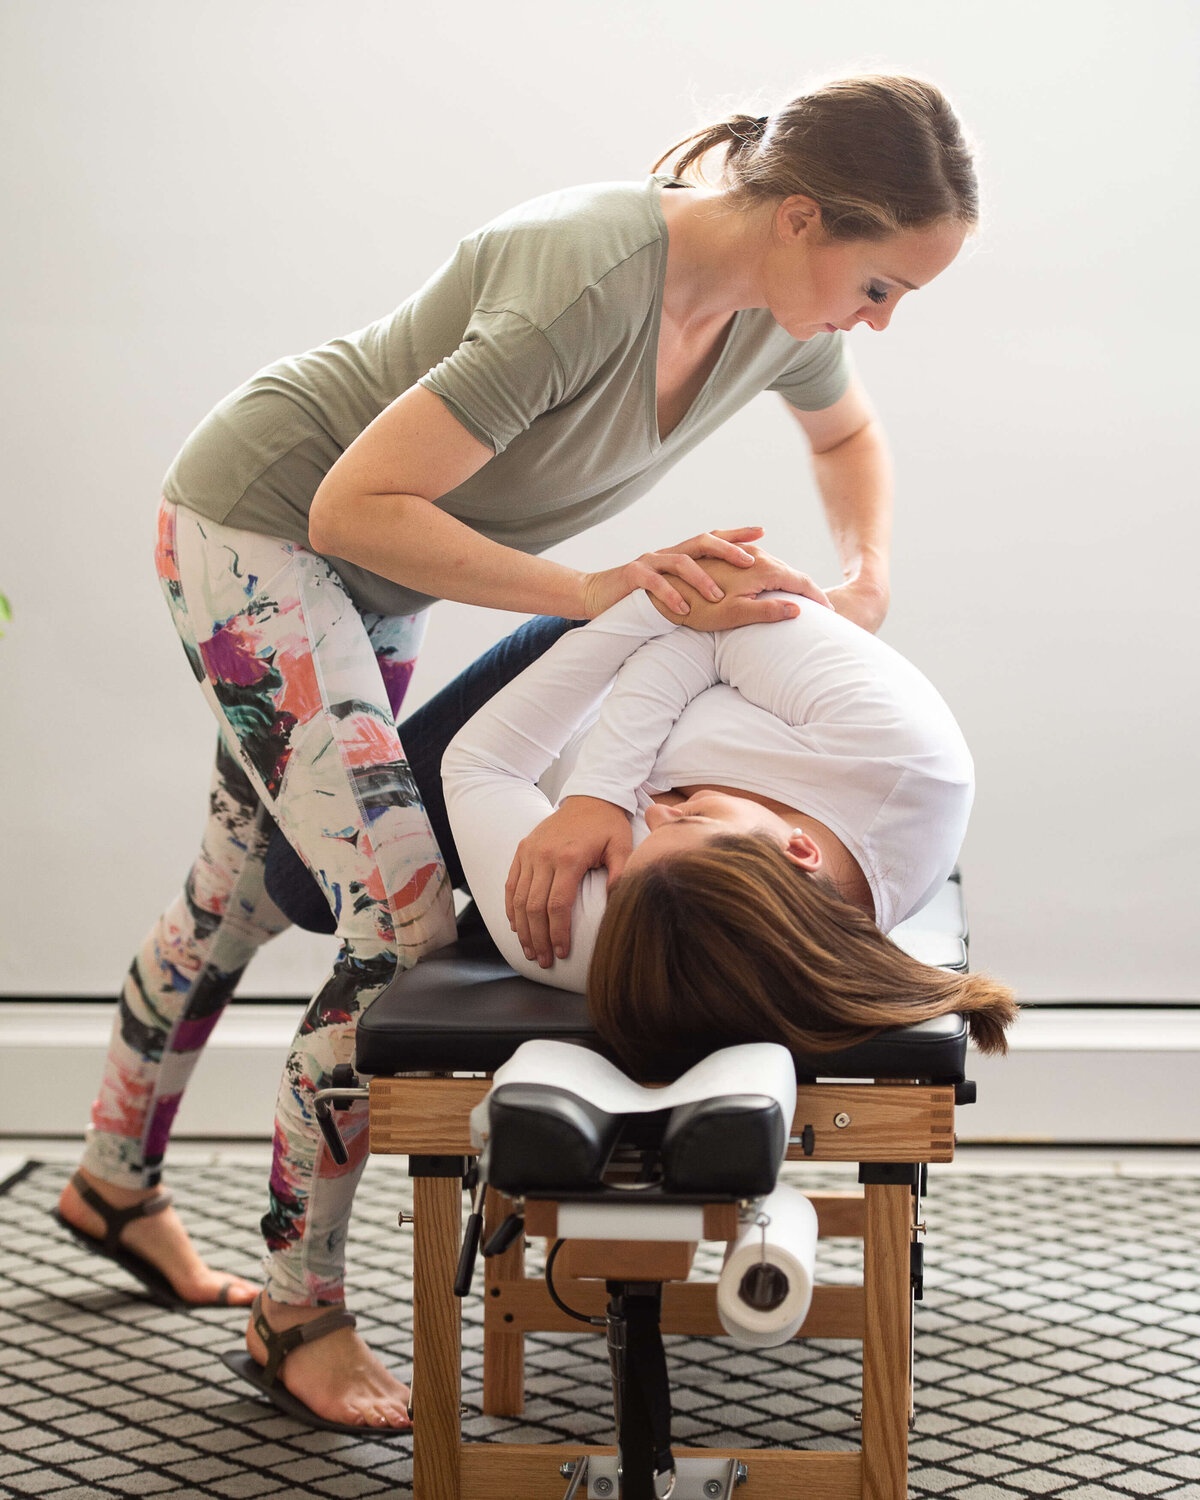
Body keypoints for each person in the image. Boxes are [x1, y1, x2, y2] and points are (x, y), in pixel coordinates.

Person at [55, 74, 980, 1432]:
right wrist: (603, 589)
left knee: (246, 888)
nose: (876, 322)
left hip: (380, 579)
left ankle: (109, 1185)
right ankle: (295, 1311)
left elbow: (847, 437)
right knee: (399, 921)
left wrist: (866, 577)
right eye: (882, 285)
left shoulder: (777, 317)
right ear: (800, 217)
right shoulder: (588, 275)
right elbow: (349, 501)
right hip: (263, 532)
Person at [440, 552, 1017, 1069]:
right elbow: (721, 609)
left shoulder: (585, 932)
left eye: (633, 865)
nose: (657, 816)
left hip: (553, 691)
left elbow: (480, 765)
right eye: (694, 819)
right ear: (799, 847)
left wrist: (656, 605)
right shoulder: (901, 754)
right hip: (602, 636)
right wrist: (598, 791)